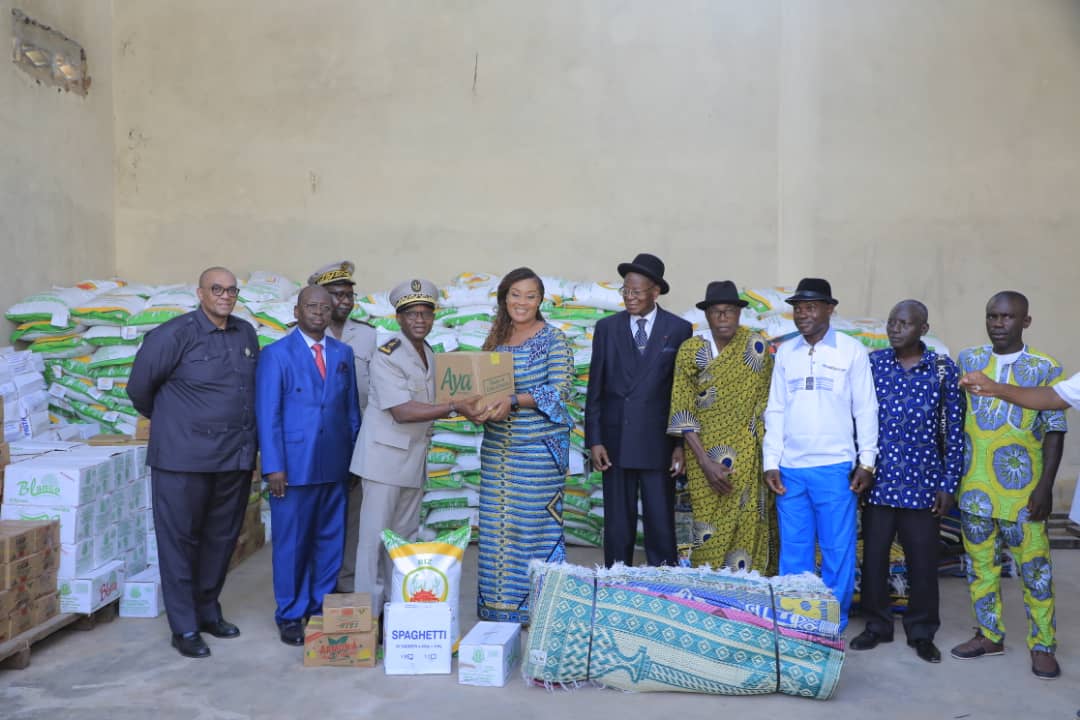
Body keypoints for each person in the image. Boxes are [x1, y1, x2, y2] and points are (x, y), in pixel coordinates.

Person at [127, 266, 258, 659]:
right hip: (182, 461)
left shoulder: (245, 333)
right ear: (200, 293)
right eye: (217, 288)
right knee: (180, 543)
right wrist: (178, 423)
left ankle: (207, 612)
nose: (225, 295)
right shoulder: (172, 335)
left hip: (233, 458)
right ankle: (183, 627)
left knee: (220, 541)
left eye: (232, 290)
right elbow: (139, 390)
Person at [349, 279, 486, 621]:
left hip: (412, 460)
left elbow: (437, 401)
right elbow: (402, 410)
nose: (420, 320)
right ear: (398, 318)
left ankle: (397, 612)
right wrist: (457, 406)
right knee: (373, 543)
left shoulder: (431, 354)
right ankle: (368, 619)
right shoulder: (388, 354)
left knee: (403, 541)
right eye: (412, 314)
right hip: (383, 460)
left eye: (426, 313)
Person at [949, 291, 1065, 681]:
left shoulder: (1045, 367)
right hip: (975, 489)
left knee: (1036, 573)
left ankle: (1043, 644)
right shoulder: (968, 360)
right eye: (992, 316)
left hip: (1024, 494)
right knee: (980, 569)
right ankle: (989, 635)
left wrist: (1045, 487)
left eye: (1008, 317)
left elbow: (1054, 431)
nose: (999, 323)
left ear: (1025, 322)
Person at [849, 300, 965, 663]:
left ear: (923, 330)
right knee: (875, 559)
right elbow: (858, 419)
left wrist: (949, 485)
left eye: (904, 323)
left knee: (922, 562)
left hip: (924, 486)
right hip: (879, 484)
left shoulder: (943, 370)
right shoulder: (874, 364)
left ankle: (921, 630)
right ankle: (878, 625)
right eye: (892, 322)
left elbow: (956, 434)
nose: (895, 329)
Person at [762, 277, 878, 633]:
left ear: (830, 309)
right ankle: (796, 621)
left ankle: (832, 622)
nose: (803, 314)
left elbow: (866, 409)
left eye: (811, 307)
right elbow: (776, 410)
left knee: (836, 550)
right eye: (798, 308)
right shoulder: (786, 353)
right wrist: (771, 461)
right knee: (794, 551)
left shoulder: (851, 351)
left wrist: (867, 461)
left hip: (834, 468)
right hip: (792, 470)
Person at [256, 285, 361, 646]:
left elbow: (351, 412)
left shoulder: (342, 353)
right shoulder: (276, 355)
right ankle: (290, 613)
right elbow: (267, 415)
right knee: (292, 543)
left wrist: (354, 461)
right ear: (297, 310)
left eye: (325, 307)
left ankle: (320, 606)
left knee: (330, 540)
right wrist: (273, 467)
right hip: (293, 467)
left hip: (334, 463)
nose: (319, 312)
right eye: (311, 306)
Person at [476, 268, 574, 623]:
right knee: (497, 530)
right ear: (504, 297)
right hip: (498, 449)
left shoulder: (553, 339)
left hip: (537, 451)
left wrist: (513, 400)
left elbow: (559, 391)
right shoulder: (495, 339)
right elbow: (483, 387)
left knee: (532, 528)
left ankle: (541, 610)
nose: (522, 302)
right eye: (515, 294)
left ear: (540, 300)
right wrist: (476, 407)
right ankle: (499, 611)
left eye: (530, 296)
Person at [586, 253, 693, 567]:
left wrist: (679, 446)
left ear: (655, 292)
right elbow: (595, 390)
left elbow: (682, 393)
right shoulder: (607, 328)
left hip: (657, 443)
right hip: (615, 441)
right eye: (625, 291)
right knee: (618, 526)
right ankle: (616, 584)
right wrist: (595, 440)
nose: (629, 298)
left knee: (661, 525)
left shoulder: (679, 329)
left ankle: (664, 587)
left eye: (637, 292)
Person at [666, 280, 775, 572]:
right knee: (708, 529)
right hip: (702, 457)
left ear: (739, 314)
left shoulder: (757, 347)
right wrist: (704, 461)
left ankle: (747, 596)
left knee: (748, 521)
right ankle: (709, 592)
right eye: (717, 312)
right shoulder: (691, 351)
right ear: (708, 315)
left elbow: (766, 405)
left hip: (749, 456)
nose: (723, 317)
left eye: (729, 311)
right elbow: (682, 408)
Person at [307, 261, 376, 594]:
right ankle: (314, 582)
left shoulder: (367, 335)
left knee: (353, 517)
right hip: (310, 444)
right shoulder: (297, 334)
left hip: (356, 439)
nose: (345, 301)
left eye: (349, 295)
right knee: (314, 514)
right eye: (336, 295)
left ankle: (345, 581)